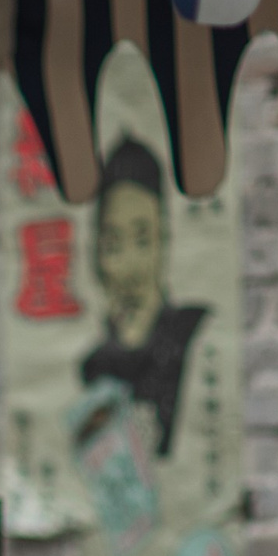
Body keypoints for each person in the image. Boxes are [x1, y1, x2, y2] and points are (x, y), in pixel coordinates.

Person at [79, 136, 207, 458]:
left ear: (165, 240)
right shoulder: (92, 368)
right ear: (96, 255)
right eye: (113, 245)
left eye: (142, 240)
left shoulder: (194, 336)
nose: (129, 268)